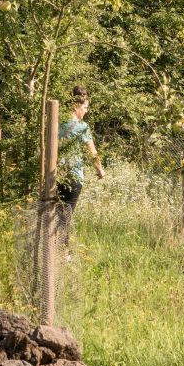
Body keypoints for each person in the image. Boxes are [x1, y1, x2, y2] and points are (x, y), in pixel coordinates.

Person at [56, 86, 107, 247]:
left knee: (57, 215)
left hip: (57, 176)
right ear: (76, 106)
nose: (86, 111)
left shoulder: (58, 124)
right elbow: (93, 153)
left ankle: (56, 250)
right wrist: (100, 170)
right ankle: (64, 252)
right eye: (85, 108)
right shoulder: (82, 126)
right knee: (66, 217)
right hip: (74, 178)